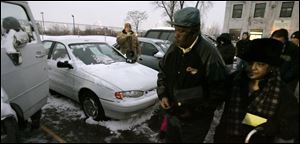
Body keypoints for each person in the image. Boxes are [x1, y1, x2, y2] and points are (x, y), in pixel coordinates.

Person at [157, 7, 227, 143]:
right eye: (176, 29)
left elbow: (219, 90)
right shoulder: (173, 49)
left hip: (195, 124)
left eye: (182, 31)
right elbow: (162, 73)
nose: (176, 35)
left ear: (195, 32)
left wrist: (196, 111)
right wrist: (163, 94)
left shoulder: (209, 55)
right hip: (173, 116)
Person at [214, 38, 299, 143]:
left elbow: (291, 127)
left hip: (258, 139)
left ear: (271, 67)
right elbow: (214, 96)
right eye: (250, 63)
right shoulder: (234, 80)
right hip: (227, 137)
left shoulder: (282, 92)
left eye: (260, 64)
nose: (252, 68)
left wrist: (270, 126)